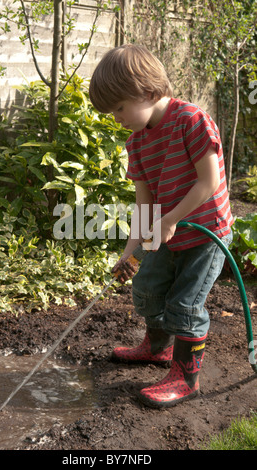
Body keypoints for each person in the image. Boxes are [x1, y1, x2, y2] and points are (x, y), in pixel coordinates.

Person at [89, 44, 234, 408]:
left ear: (149, 93)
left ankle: (186, 378)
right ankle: (157, 348)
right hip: (167, 231)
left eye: (119, 107)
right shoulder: (137, 143)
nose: (116, 117)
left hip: (205, 234)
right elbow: (143, 205)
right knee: (148, 288)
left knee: (184, 303)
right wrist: (128, 252)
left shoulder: (190, 121)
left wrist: (170, 219)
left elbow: (209, 182)